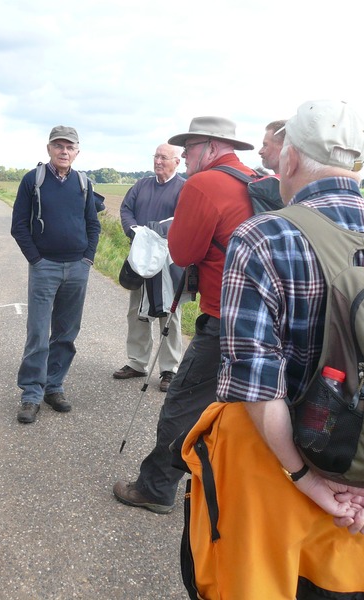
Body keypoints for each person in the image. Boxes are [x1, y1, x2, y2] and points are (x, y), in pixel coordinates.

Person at [186, 99, 364, 598]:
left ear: (289, 160)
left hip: (270, 472)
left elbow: (255, 382)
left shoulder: (263, 237)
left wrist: (304, 477)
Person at [113, 116, 257, 513]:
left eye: (189, 149)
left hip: (222, 316)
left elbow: (182, 252)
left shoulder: (204, 183)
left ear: (209, 147)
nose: (186, 158)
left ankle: (156, 488)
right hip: (261, 318)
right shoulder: (256, 180)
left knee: (182, 404)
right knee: (242, 410)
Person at [10, 125, 101, 424]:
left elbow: (93, 224)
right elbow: (19, 225)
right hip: (45, 266)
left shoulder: (83, 183)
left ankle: (54, 386)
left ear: (77, 151)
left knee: (66, 333)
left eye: (69, 147)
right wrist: (35, 259)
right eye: (58, 146)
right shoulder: (32, 180)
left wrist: (88, 258)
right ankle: (31, 394)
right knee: (38, 332)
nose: (64, 151)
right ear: (48, 148)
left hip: (77, 267)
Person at [113, 144, 185, 392]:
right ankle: (137, 362)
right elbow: (126, 210)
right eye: (156, 156)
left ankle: (169, 369)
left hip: (168, 262)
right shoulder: (141, 185)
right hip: (139, 257)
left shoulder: (183, 188)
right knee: (137, 311)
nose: (158, 161)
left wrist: (155, 234)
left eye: (163, 157)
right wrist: (135, 231)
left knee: (169, 314)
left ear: (177, 161)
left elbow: (182, 219)